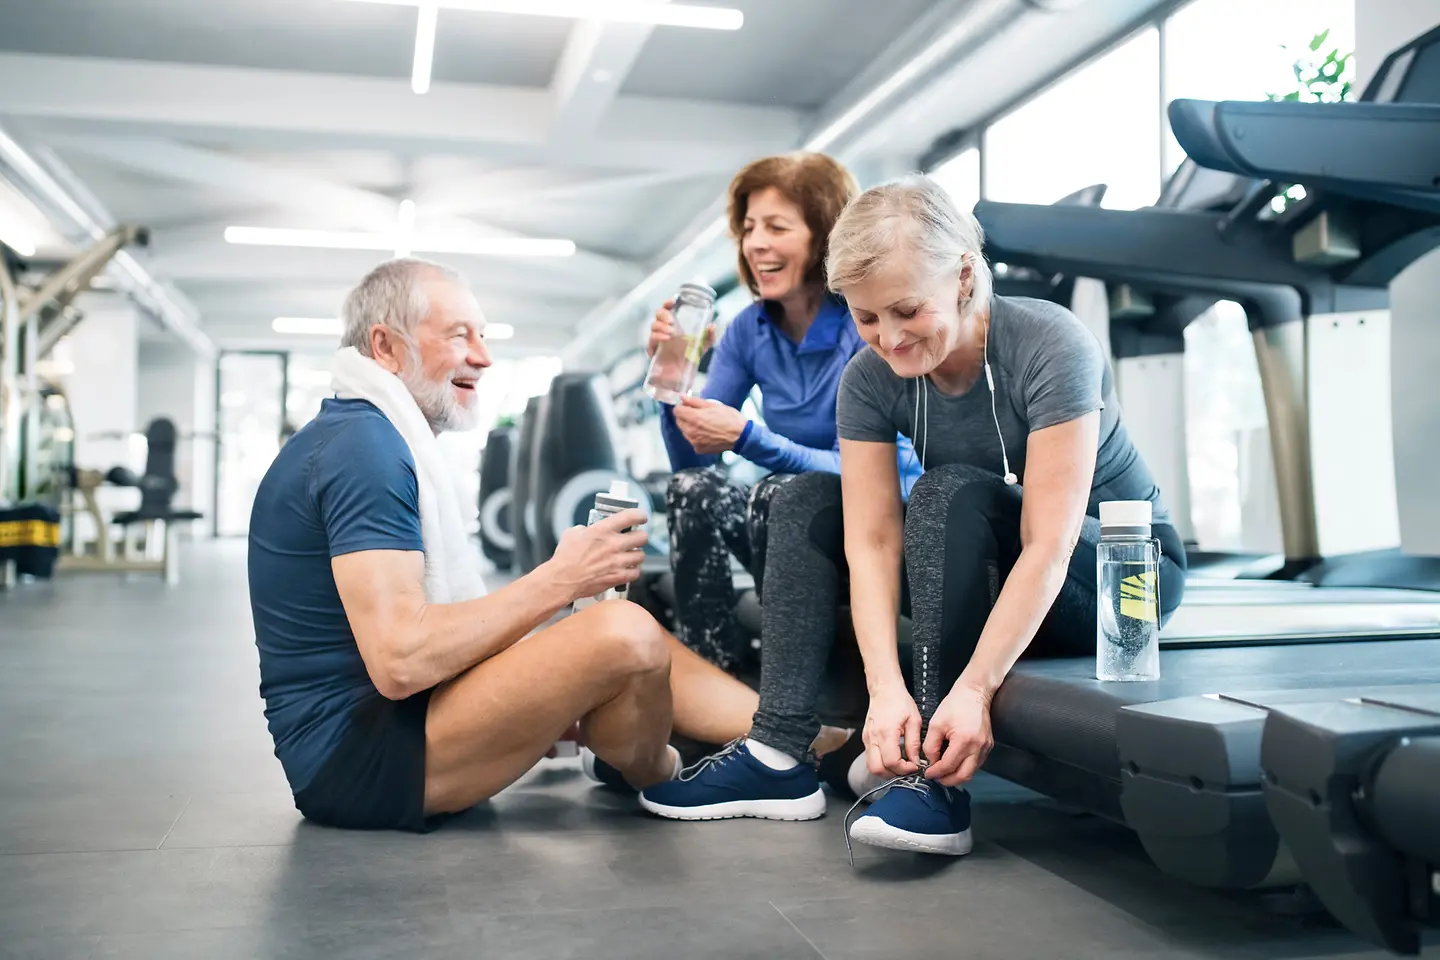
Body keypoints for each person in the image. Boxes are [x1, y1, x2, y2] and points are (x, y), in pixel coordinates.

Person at [640, 176, 1186, 852]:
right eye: (866, 319)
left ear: (963, 277)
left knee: (947, 490)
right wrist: (885, 692)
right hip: (989, 562)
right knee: (806, 497)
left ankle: (934, 780)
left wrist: (973, 692)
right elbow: (869, 541)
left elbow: (1048, 542)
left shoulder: (1049, 343)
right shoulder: (868, 379)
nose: (889, 340)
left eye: (905, 311)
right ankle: (779, 752)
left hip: (1118, 579)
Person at [247, 257, 763, 833]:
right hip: (356, 761)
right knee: (625, 634)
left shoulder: (371, 435)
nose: (484, 357)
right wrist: (561, 579)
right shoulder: (362, 450)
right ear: (385, 347)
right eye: (459, 335)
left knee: (620, 623)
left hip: (394, 729)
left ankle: (798, 744)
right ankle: (665, 768)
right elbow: (399, 660)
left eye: (484, 337)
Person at [654, 152, 919, 678]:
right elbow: (693, 462)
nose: (755, 243)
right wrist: (670, 379)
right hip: (793, 539)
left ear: (823, 235)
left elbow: (886, 476)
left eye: (777, 227)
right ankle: (715, 682)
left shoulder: (865, 324)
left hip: (880, 534)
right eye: (749, 228)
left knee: (779, 492)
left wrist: (750, 438)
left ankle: (788, 699)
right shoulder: (748, 329)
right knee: (690, 491)